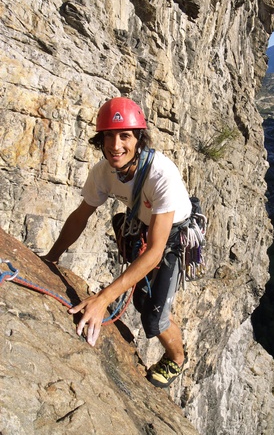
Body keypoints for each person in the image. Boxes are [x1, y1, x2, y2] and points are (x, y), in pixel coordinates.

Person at [43, 97, 192, 388]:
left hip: (172, 236)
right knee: (139, 299)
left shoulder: (161, 175)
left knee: (153, 315)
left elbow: (157, 250)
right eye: (108, 136)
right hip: (142, 224)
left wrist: (102, 299)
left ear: (139, 138)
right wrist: (51, 257)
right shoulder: (104, 172)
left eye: (124, 135)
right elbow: (80, 216)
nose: (115, 145)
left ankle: (177, 358)